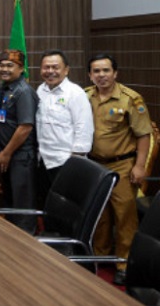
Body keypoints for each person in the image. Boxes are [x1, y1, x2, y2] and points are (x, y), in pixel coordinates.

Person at [86, 53, 152, 286]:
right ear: (90, 75)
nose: (101, 75)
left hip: (123, 165)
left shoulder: (130, 99)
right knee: (99, 214)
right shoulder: (86, 96)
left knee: (125, 216)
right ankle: (100, 256)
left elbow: (144, 134)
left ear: (115, 73)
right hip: (94, 165)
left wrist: (140, 165)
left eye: (106, 71)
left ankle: (124, 263)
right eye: (96, 71)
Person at [35, 49, 93, 205]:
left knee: (66, 208)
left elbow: (84, 129)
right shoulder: (41, 90)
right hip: (44, 161)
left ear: (66, 70)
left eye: (55, 67)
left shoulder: (75, 93)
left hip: (66, 163)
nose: (50, 71)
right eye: (46, 68)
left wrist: (75, 163)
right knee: (47, 205)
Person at [0, 49, 39, 233]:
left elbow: (25, 127)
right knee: (10, 202)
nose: (5, 69)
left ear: (21, 69)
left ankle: (26, 246)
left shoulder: (23, 92)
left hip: (20, 157)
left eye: (10, 66)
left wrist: (6, 153)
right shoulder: (4, 88)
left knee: (22, 206)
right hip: (8, 157)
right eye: (2, 65)